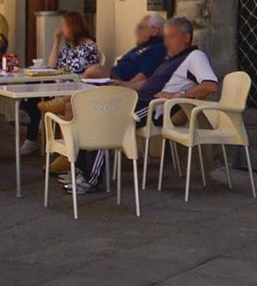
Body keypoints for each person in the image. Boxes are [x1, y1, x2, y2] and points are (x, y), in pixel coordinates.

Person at [64, 14, 219, 193]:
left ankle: (91, 180)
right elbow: (147, 84)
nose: (167, 42)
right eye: (166, 37)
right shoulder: (171, 58)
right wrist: (123, 85)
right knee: (89, 114)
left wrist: (179, 94)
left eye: (172, 37)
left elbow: (210, 85)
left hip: (153, 107)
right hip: (138, 99)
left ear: (186, 38)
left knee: (107, 121)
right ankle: (80, 171)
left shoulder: (195, 57)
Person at [17, 11, 101, 151]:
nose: (61, 29)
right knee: (34, 84)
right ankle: (27, 115)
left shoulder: (89, 46)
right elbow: (52, 65)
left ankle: (30, 131)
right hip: (60, 83)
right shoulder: (69, 45)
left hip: (75, 86)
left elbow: (81, 69)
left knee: (36, 98)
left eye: (64, 25)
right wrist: (56, 41)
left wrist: (63, 71)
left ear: (73, 27)